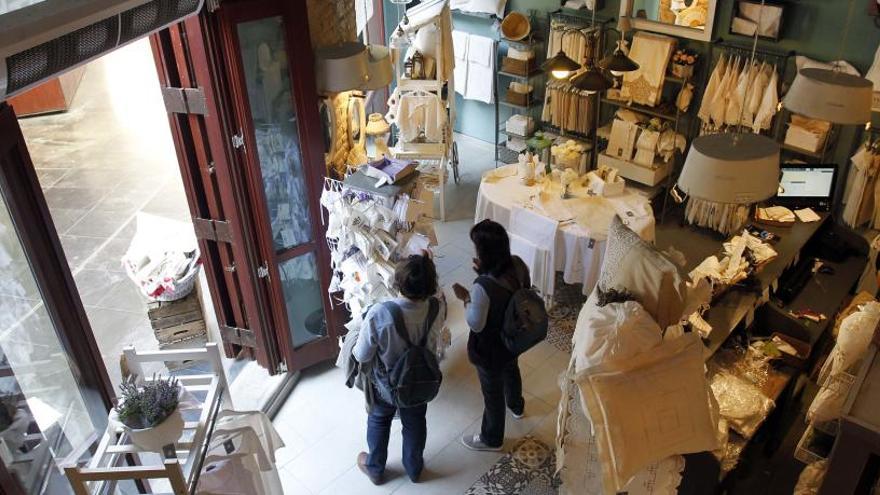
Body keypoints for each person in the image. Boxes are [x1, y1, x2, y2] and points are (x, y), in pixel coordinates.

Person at [353, 253, 446, 484]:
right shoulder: (436, 308)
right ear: (431, 285)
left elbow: (362, 354)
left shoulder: (379, 313)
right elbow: (436, 344)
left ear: (397, 283)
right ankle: (414, 468)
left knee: (379, 419)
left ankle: (375, 468)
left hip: (386, 386)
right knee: (415, 421)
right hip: (420, 380)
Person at [452, 219, 530, 451]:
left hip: (490, 348)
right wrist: (484, 272)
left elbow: (475, 324)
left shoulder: (482, 287)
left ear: (484, 253)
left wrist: (466, 297)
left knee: (492, 392)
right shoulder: (518, 264)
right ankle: (517, 407)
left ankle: (492, 439)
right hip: (513, 339)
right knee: (512, 370)